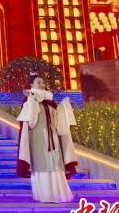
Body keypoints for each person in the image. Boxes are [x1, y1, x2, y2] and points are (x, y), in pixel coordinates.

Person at [16, 74, 78, 203]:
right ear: (32, 85)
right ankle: (44, 195)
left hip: (53, 138)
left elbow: (58, 122)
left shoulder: (50, 102)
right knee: (42, 164)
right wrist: (31, 100)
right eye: (38, 82)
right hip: (38, 139)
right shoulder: (29, 100)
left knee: (55, 163)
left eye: (43, 82)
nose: (42, 85)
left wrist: (64, 106)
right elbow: (30, 122)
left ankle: (59, 195)